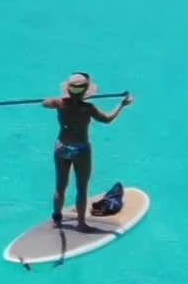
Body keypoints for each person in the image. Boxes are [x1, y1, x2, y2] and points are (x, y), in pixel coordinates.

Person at [44, 73, 131, 227]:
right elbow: (107, 119)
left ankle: (57, 219)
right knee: (81, 188)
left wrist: (53, 100)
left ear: (68, 90)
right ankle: (81, 224)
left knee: (60, 185)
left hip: (62, 147)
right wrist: (122, 105)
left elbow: (45, 103)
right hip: (80, 149)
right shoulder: (88, 108)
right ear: (85, 92)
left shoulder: (60, 104)